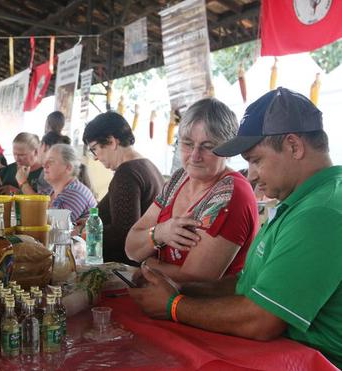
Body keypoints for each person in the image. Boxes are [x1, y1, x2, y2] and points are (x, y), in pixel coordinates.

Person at [129, 87, 342, 368]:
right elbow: (248, 286)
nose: (251, 175)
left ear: (293, 146)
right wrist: (180, 289)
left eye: (256, 161)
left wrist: (173, 306)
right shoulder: (301, 201)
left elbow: (261, 320)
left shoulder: (321, 212)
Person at [125, 99, 258, 279]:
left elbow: (196, 280)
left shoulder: (230, 193)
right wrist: (161, 232)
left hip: (203, 306)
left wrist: (148, 264)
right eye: (188, 144)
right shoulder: (179, 178)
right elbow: (131, 248)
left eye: (208, 146)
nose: (195, 156)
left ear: (228, 148)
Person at [82, 111, 166, 266]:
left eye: (94, 149)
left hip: (127, 270)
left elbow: (123, 234)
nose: (95, 157)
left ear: (112, 142)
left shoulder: (126, 173)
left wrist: (85, 233)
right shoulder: (147, 165)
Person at [44, 144, 97, 224]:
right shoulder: (52, 191)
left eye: (51, 161)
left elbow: (54, 226)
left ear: (68, 168)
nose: (44, 165)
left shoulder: (75, 193)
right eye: (45, 160)